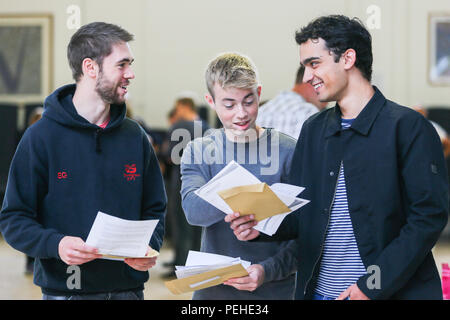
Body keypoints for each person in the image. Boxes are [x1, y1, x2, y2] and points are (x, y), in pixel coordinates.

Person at [226, 15, 449, 300]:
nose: (307, 77)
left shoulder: (408, 127)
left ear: (348, 58)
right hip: (320, 293)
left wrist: (372, 285)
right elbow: (302, 215)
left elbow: (427, 219)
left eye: (314, 63)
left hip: (387, 292)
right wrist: (260, 225)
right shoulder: (314, 129)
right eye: (304, 66)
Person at [0, 22, 167, 300]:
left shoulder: (135, 137)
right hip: (65, 292)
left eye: (130, 64)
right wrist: (57, 244)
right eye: (121, 65)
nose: (131, 74)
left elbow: (155, 208)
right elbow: (14, 219)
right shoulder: (41, 137)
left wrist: (148, 247)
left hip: (128, 291)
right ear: (90, 68)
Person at [180, 52, 298, 299]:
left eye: (248, 101)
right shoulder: (199, 150)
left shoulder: (289, 150)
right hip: (214, 292)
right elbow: (193, 212)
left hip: (274, 289)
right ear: (210, 101)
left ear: (259, 93)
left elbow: (307, 232)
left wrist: (266, 271)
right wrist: (244, 194)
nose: (241, 113)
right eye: (229, 104)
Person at [161, 97, 209, 278]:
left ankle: (180, 264)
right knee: (196, 224)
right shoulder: (204, 126)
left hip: (181, 180)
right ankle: (194, 263)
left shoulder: (179, 126)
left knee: (180, 223)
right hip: (202, 180)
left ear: (184, 105)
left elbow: (169, 155)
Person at [256, 65, 327, 139]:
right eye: (324, 85)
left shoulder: (261, 111)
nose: (327, 97)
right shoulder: (308, 112)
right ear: (309, 80)